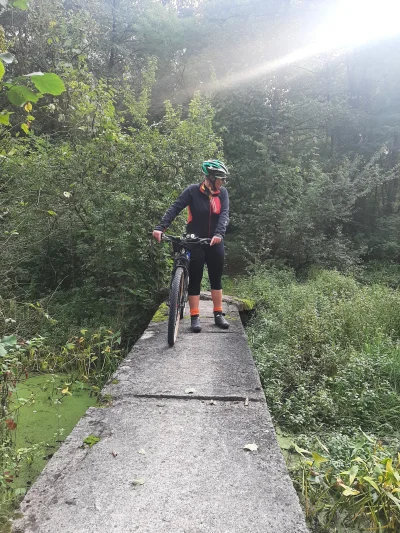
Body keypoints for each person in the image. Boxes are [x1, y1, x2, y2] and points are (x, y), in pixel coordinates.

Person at [153, 159, 230, 333]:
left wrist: (219, 234)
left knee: (216, 278)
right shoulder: (192, 191)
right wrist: (160, 227)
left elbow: (224, 215)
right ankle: (194, 317)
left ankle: (218, 314)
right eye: (221, 178)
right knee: (195, 277)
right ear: (210, 178)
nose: (223, 182)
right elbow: (175, 207)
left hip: (215, 241)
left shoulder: (222, 193)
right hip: (195, 241)